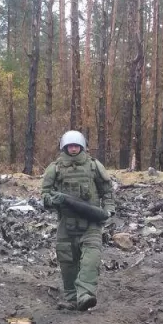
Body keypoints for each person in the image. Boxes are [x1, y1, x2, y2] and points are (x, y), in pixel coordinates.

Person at [41, 130, 115, 311]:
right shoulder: (54, 168)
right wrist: (52, 200)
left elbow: (107, 191)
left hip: (91, 223)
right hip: (66, 223)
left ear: (82, 147)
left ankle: (85, 294)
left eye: (76, 146)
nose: (73, 149)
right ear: (64, 148)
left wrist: (108, 210)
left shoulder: (94, 166)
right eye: (70, 146)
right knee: (67, 261)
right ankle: (72, 298)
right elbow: (44, 196)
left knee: (91, 258)